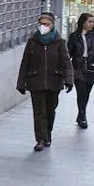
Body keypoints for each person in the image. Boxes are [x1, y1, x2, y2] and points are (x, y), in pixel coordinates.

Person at [16, 12, 74, 151]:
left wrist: (69, 79)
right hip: (36, 81)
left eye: (46, 24)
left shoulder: (59, 42)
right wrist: (21, 82)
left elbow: (66, 62)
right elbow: (25, 62)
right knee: (39, 112)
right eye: (41, 24)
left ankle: (47, 135)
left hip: (54, 81)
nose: (43, 26)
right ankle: (40, 139)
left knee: (50, 111)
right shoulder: (33, 41)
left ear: (52, 25)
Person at [68, 13, 94, 130]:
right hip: (78, 67)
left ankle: (80, 114)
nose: (91, 24)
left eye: (93, 22)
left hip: (91, 67)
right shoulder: (74, 36)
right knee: (81, 93)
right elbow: (69, 52)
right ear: (82, 22)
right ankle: (82, 116)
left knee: (86, 93)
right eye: (89, 21)